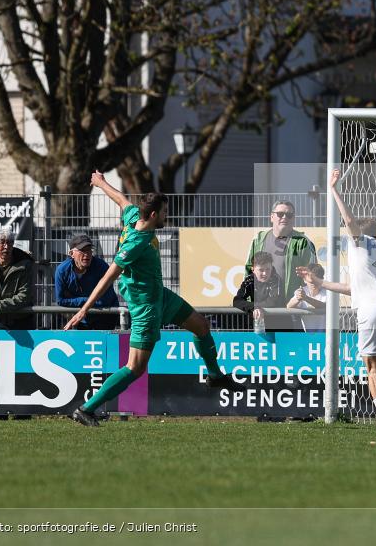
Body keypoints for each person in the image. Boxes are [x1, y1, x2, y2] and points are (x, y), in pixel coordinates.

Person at [64, 171, 243, 427]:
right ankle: (86, 409)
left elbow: (122, 201)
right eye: (164, 212)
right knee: (135, 368)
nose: (167, 216)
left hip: (161, 296)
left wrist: (101, 182)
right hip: (145, 306)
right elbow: (109, 277)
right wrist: (84, 309)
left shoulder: (135, 216)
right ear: (153, 215)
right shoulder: (136, 242)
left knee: (201, 326)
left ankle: (214, 376)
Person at [297, 169, 376, 431]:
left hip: (368, 309)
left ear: (362, 231)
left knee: (373, 367)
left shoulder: (361, 243)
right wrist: (320, 283)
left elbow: (348, 220)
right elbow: (351, 288)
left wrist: (333, 190)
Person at [245, 199, 317, 329]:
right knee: (265, 347)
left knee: (292, 348)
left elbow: (313, 277)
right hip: (263, 311)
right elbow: (248, 273)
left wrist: (304, 299)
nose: (284, 217)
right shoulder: (259, 240)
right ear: (272, 217)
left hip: (292, 311)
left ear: (294, 218)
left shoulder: (303, 242)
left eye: (289, 215)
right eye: (280, 214)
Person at [54, 234, 119, 330]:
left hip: (105, 315)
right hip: (79, 318)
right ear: (71, 254)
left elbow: (106, 299)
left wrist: (77, 300)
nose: (87, 254)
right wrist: (87, 300)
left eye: (89, 250)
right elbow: (60, 300)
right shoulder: (62, 270)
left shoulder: (101, 266)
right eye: (82, 250)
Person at [233, 251, 285, 330]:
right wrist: (254, 308)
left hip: (278, 327)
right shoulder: (249, 280)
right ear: (253, 269)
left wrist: (256, 307)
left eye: (268, 269)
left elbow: (272, 302)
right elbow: (237, 301)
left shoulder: (276, 279)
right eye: (261, 270)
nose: (265, 273)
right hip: (257, 327)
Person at [287, 262, 327, 332]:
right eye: (310, 279)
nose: (313, 282)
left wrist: (306, 298)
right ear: (304, 280)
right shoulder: (301, 291)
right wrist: (298, 298)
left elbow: (324, 306)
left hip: (326, 335)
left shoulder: (328, 292)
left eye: (315, 279)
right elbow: (289, 306)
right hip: (308, 335)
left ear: (321, 280)